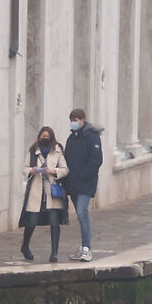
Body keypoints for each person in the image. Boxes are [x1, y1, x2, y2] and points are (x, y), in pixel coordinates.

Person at [17, 127, 69, 262]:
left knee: (54, 222)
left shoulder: (57, 151)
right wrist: (32, 170)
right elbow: (24, 168)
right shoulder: (33, 151)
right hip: (36, 191)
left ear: (52, 137)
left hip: (53, 191)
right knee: (32, 221)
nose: (44, 138)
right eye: (42, 136)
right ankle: (25, 246)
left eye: (47, 136)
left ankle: (54, 253)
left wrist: (53, 171)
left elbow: (65, 169)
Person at [61, 110, 104, 263]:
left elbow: (96, 160)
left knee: (82, 212)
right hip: (72, 183)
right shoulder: (71, 138)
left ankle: (86, 248)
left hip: (86, 183)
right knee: (80, 215)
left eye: (77, 119)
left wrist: (84, 175)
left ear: (83, 120)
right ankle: (83, 247)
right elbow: (67, 159)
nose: (74, 122)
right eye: (72, 119)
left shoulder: (92, 137)